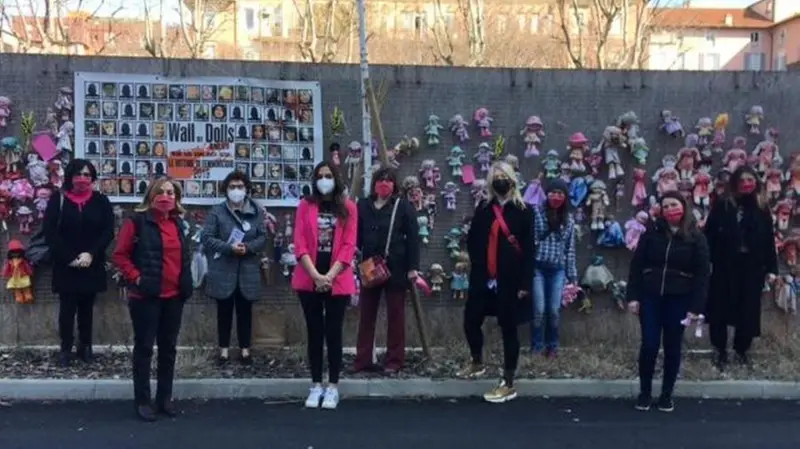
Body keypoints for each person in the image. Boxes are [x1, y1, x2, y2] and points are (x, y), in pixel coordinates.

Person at [111, 178, 193, 422]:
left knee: (168, 349)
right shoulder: (136, 222)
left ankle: (164, 398)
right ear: (151, 196)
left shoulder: (178, 223)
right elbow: (120, 255)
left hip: (173, 297)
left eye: (171, 192)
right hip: (146, 296)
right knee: (145, 348)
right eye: (161, 192)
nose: (166, 197)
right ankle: (143, 400)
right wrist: (136, 278)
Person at [626, 191, 710, 412]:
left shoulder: (696, 237)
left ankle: (666, 395)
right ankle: (645, 393)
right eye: (665, 206)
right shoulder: (651, 233)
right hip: (650, 297)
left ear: (683, 207)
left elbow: (702, 275)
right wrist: (633, 297)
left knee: (672, 347)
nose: (670, 209)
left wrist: (695, 307)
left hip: (679, 299)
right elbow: (636, 266)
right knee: (650, 345)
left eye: (674, 204)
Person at [457, 161, 534, 404]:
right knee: (471, 320)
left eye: (504, 176)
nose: (500, 180)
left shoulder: (524, 211)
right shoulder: (484, 208)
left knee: (508, 329)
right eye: (496, 176)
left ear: (512, 179)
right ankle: (477, 361)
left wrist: (525, 284)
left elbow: (530, 251)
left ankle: (508, 381)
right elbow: (472, 240)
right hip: (483, 278)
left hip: (510, 281)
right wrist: (477, 265)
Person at [291, 161, 357, 410]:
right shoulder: (305, 206)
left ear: (336, 179)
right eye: (320, 176)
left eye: (329, 175)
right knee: (315, 332)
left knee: (334, 332)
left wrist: (329, 275)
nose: (324, 180)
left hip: (337, 279)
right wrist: (316, 275)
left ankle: (333, 386)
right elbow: (300, 244)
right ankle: (316, 384)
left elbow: (349, 245)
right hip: (308, 278)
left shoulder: (348, 208)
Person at [704, 165, 777, 368]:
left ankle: (741, 351)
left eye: (750, 181)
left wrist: (772, 268)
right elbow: (708, 235)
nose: (746, 184)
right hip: (724, 265)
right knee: (719, 309)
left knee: (748, 311)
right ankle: (719, 351)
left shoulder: (762, 208)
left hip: (752, 268)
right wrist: (706, 263)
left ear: (756, 183)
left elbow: (768, 240)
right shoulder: (723, 205)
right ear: (735, 183)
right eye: (742, 180)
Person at [43, 159, 114, 367]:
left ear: (92, 178)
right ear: (70, 177)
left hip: (91, 263)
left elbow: (108, 231)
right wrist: (69, 257)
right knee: (67, 309)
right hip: (66, 265)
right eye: (78, 174)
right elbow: (50, 232)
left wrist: (90, 254)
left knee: (87, 309)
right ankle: (66, 348)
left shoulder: (101, 200)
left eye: (87, 175)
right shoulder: (59, 200)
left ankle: (86, 347)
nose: (82, 179)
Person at [353, 166, 420, 374]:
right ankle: (363, 360)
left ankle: (394, 360)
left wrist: (413, 268)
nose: (384, 184)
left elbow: (413, 239)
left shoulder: (403, 206)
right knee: (366, 315)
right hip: (370, 267)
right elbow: (355, 235)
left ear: (395, 184)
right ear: (374, 184)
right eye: (381, 180)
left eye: (389, 180)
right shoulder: (362, 205)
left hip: (397, 269)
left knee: (396, 316)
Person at [202, 171, 268, 366]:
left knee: (245, 311)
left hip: (247, 270)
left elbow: (263, 237)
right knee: (224, 311)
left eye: (240, 187)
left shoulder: (256, 211)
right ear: (226, 190)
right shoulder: (217, 211)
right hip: (223, 269)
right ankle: (223, 351)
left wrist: (248, 248)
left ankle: (245, 350)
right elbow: (207, 238)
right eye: (232, 187)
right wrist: (228, 248)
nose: (236, 191)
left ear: (246, 189)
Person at [531, 179, 577, 357]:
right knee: (539, 310)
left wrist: (572, 276)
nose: (556, 196)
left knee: (554, 310)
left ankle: (553, 346)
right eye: (553, 192)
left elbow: (570, 249)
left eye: (560, 193)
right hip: (538, 268)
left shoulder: (569, 220)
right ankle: (536, 346)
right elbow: (529, 241)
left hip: (558, 270)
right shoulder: (537, 213)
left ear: (565, 197)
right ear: (546, 194)